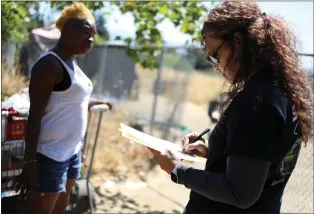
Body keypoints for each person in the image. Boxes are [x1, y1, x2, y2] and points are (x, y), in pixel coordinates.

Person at [149, 1, 313, 213]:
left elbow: (240, 193)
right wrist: (216, 151)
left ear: (237, 41)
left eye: (215, 54)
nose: (216, 66)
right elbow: (263, 159)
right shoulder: (282, 89)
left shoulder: (256, 102)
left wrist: (177, 170)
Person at [14, 3, 112, 214]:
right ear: (67, 30)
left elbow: (72, 100)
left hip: (71, 152)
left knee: (61, 209)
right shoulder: (49, 65)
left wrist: (95, 102)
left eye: (93, 35)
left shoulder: (72, 64)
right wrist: (30, 162)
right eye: (86, 33)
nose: (91, 40)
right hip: (49, 155)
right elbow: (34, 117)